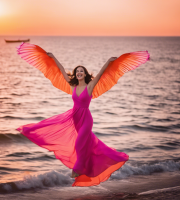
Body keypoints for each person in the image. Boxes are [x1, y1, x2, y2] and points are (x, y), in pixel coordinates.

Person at [16, 43, 150, 187]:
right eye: (77, 71)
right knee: (86, 144)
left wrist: (109, 62)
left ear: (85, 74)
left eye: (82, 71)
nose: (79, 73)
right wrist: (53, 57)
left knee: (79, 142)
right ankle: (90, 167)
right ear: (76, 74)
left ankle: (78, 169)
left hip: (86, 118)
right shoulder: (73, 86)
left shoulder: (90, 86)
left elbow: (100, 74)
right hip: (75, 117)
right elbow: (61, 71)